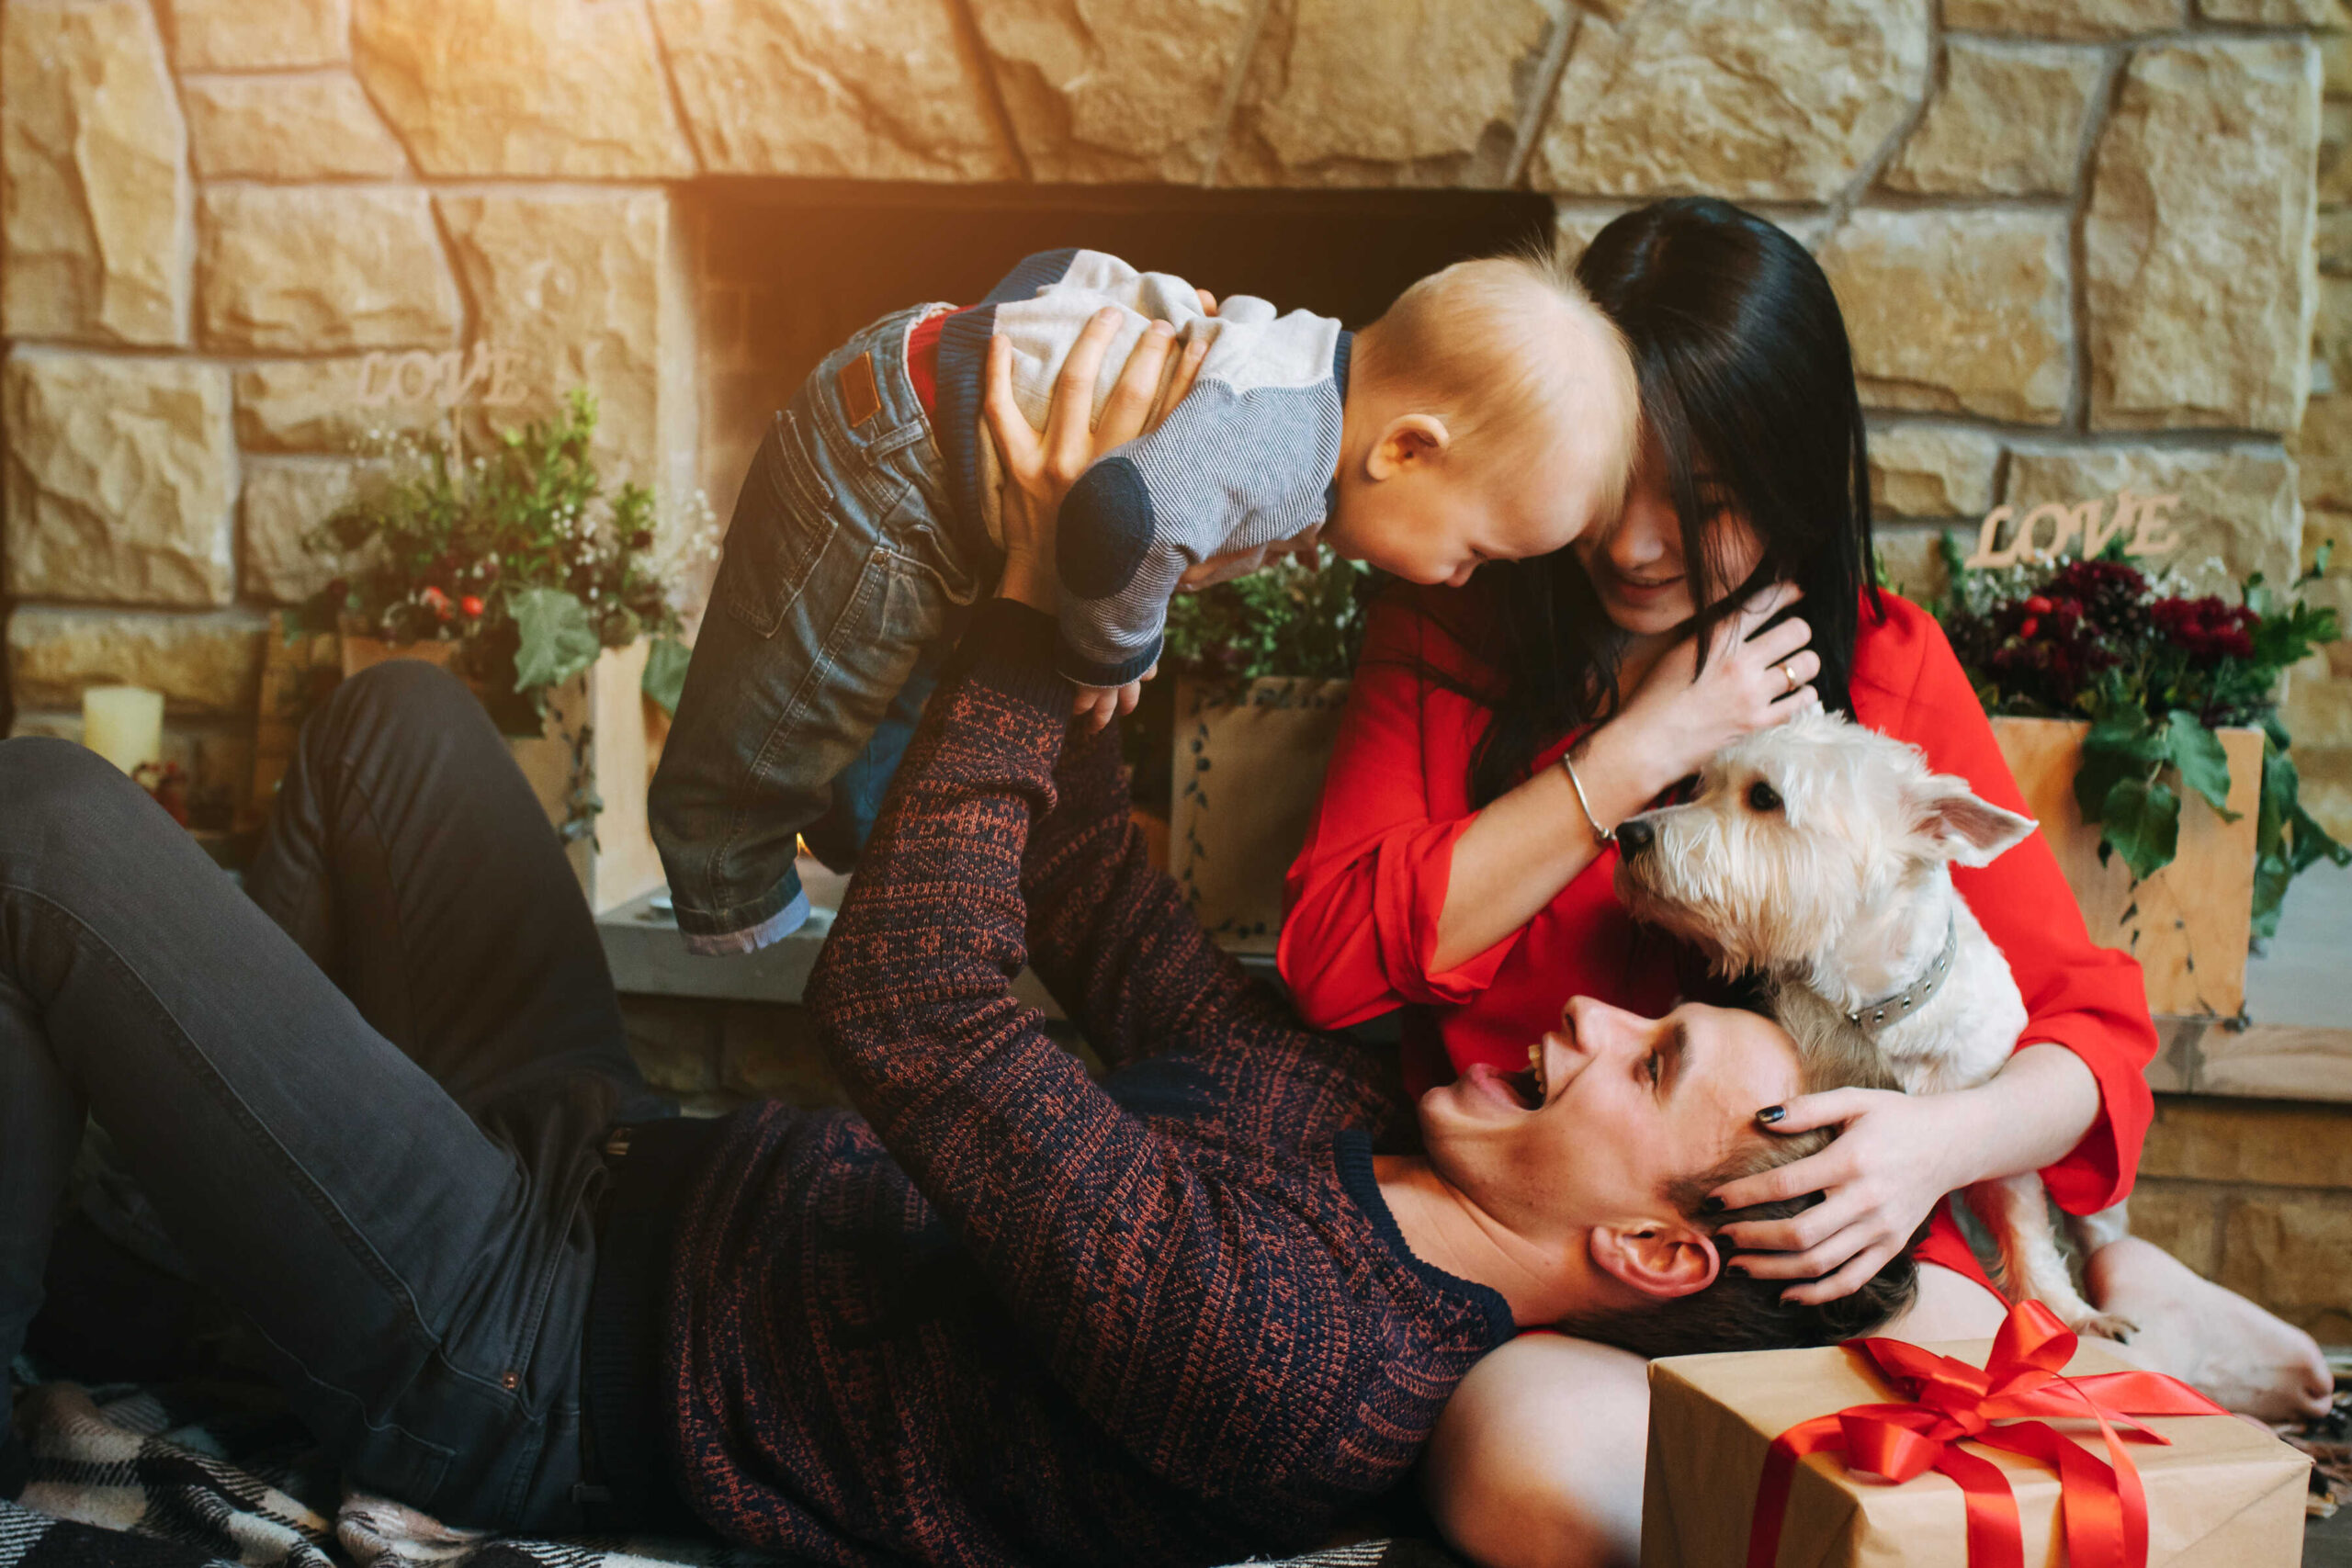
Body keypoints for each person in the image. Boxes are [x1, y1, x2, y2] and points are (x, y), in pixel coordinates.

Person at [0, 328, 1901, 1567]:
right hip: (618, 1151)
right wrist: (1105, 565)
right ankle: (175, 1234)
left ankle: (162, 1251)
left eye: (1646, 1066)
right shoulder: (1346, 1098)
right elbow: (1079, 880)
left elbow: (909, 1003)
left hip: (527, 1354)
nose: (1582, 1014)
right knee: (399, 721)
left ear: (1650, 1248)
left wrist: (1026, 636)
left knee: (46, 823)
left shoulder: (1305, 1356)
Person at [1276, 197, 2335, 1568]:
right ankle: (2103, 1334)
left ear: (1789, 482)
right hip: (1559, 1260)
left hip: (1836, 1263)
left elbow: (2088, 1030)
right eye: (1621, 482)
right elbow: (1328, 956)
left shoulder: (1884, 667)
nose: (1640, 545)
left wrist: (1929, 1149)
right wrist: (1636, 750)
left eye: (1706, 504)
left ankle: (2106, 1313)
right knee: (1509, 1448)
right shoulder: (1446, 623)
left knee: (1947, 1418)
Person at [649, 244, 1641, 958]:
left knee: (888, 716)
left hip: (938, 455)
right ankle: (728, 898)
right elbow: (1121, 518)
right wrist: (1113, 650)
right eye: (1473, 552)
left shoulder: (1305, 374)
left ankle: (856, 838)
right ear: (1407, 451)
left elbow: (1057, 274)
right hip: (896, 457)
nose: (1459, 580)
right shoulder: (1288, 451)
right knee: (789, 704)